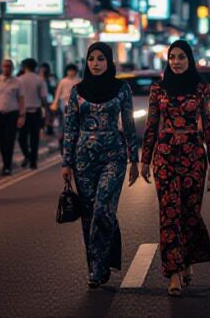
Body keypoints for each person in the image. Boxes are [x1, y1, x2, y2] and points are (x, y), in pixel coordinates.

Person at [140, 40, 210, 296]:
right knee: (169, 212)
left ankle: (187, 260)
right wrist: (144, 159)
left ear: (190, 60)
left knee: (190, 211)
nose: (176, 62)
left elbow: (208, 126)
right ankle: (173, 273)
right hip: (164, 154)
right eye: (172, 57)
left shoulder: (201, 89)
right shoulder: (158, 89)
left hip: (193, 154)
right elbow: (151, 126)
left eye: (181, 57)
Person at [61, 43, 139, 288]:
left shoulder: (121, 89)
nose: (95, 63)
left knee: (103, 209)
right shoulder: (77, 91)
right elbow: (70, 128)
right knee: (88, 214)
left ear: (109, 62)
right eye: (92, 59)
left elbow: (128, 124)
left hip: (113, 156)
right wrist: (67, 162)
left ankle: (104, 259)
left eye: (101, 59)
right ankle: (97, 267)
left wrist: (134, 158)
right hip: (84, 158)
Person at [0, 59, 25, 175]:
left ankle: (7, 165)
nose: (6, 68)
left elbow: (21, 99)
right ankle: (5, 161)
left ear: (12, 68)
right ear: (1, 67)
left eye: (9, 66)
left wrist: (21, 115)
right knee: (1, 140)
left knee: (10, 140)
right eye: (4, 66)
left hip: (12, 113)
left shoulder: (17, 82)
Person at [17, 59, 46, 169]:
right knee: (34, 138)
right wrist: (46, 111)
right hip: (36, 111)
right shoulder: (39, 80)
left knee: (21, 138)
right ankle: (33, 161)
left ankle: (27, 155)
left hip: (23, 112)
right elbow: (43, 97)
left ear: (24, 67)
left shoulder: (19, 80)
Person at [52, 64, 80, 148]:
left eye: (73, 70)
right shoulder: (63, 81)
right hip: (64, 104)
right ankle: (63, 139)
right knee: (64, 122)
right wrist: (55, 102)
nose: (71, 72)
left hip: (75, 104)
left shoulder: (78, 81)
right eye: (69, 70)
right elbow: (58, 93)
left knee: (75, 122)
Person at [40, 62, 57, 136]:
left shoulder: (51, 76)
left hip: (49, 97)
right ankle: (43, 128)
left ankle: (49, 128)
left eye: (45, 68)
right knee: (43, 113)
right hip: (41, 98)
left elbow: (54, 86)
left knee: (50, 113)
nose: (43, 70)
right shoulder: (39, 77)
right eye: (42, 68)